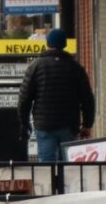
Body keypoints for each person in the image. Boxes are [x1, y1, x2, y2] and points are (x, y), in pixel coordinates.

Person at [16, 28, 96, 164]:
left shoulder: (36, 66)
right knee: (68, 164)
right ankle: (66, 185)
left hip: (44, 124)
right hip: (69, 125)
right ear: (64, 44)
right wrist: (87, 124)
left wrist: (24, 122)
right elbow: (87, 98)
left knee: (47, 165)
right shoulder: (75, 67)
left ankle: (50, 185)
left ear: (48, 44)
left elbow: (24, 98)